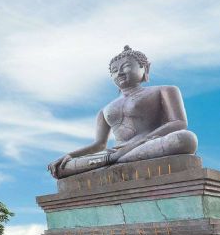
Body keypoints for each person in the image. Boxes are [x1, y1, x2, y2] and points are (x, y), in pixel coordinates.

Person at [48, 45, 197, 179]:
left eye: (125, 67)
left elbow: (179, 122)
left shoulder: (164, 90)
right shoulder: (104, 110)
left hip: (146, 144)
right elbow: (99, 145)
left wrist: (141, 141)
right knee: (62, 168)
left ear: (145, 68)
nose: (119, 73)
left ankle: (114, 160)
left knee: (185, 139)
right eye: (114, 71)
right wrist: (70, 155)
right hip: (113, 152)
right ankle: (113, 159)